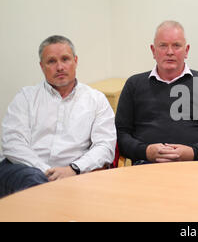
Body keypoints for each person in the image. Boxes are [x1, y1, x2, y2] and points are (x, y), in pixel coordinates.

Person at [0, 35, 116, 198]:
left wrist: (74, 169)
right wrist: (45, 171)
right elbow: (13, 143)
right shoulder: (26, 97)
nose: (60, 67)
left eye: (65, 59)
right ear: (42, 66)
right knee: (33, 181)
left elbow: (105, 146)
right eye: (52, 61)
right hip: (25, 169)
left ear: (75, 61)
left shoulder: (96, 99)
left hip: (74, 171)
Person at [115, 21, 198, 164]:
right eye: (163, 45)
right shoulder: (134, 84)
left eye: (176, 45)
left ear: (186, 50)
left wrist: (193, 152)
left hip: (194, 165)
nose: (169, 52)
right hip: (146, 167)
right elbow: (121, 134)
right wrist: (146, 151)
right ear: (153, 50)